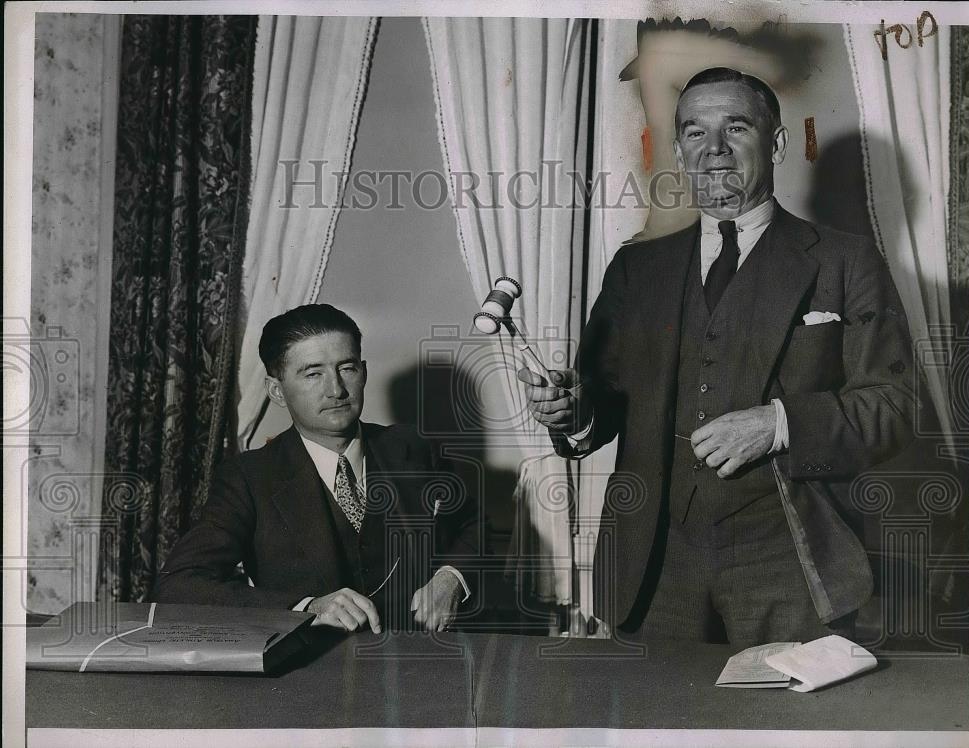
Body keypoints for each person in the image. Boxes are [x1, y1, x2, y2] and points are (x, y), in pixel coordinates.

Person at [519, 67, 916, 647]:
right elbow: (596, 409)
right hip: (652, 565)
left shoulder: (845, 261)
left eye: (736, 127)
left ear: (776, 142)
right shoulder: (637, 269)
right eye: (695, 133)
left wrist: (779, 423)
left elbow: (893, 407)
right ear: (678, 149)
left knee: (784, 735)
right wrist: (570, 412)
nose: (715, 151)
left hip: (791, 564)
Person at [155, 304, 479, 633]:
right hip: (310, 674)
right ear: (276, 390)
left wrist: (450, 578)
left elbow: (474, 526)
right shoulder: (248, 477)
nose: (336, 389)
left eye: (347, 368)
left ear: (364, 372)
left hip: (419, 666)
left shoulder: (412, 446)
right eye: (313, 374)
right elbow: (177, 586)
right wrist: (305, 608)